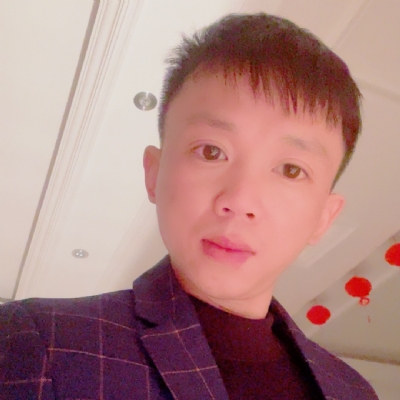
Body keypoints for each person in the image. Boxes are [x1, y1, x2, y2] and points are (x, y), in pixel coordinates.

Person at [0, 13, 378, 400]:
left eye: (291, 170)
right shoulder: (37, 340)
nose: (240, 200)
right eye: (211, 151)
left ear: (323, 218)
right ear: (154, 174)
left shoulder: (355, 391)